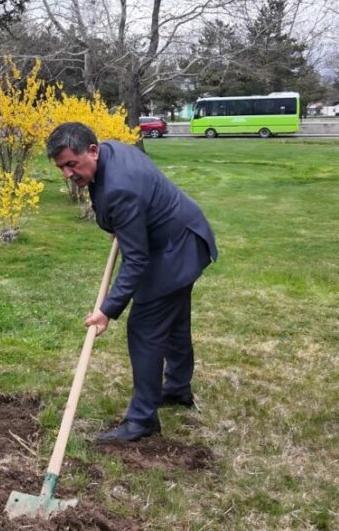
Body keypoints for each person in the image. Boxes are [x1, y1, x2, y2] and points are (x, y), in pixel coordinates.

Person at [46, 122, 217, 442]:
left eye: (71, 164)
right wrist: (125, 225)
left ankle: (142, 420)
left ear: (92, 150)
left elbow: (136, 260)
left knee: (145, 328)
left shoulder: (120, 189)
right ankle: (177, 389)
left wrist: (107, 310)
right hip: (184, 236)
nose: (68, 174)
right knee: (174, 322)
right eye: (61, 168)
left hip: (174, 250)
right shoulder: (111, 151)